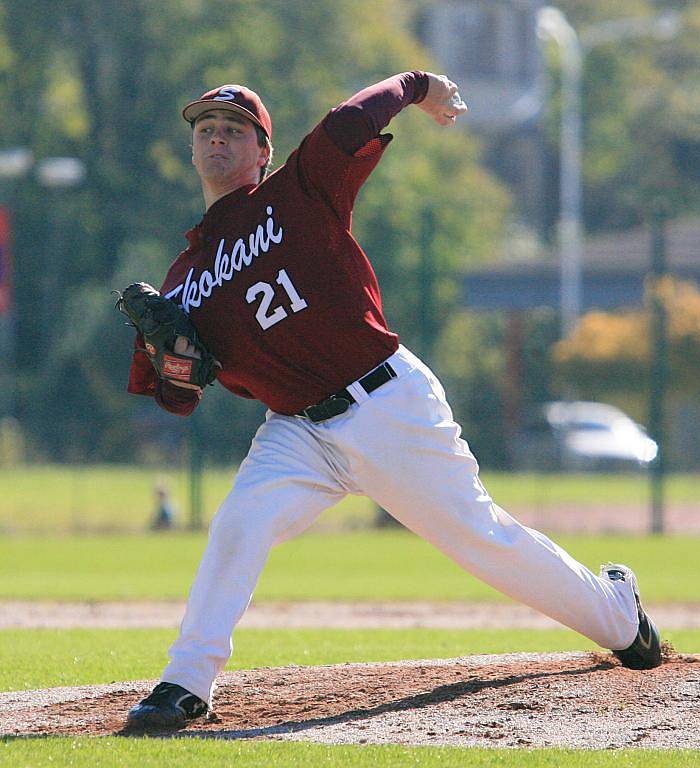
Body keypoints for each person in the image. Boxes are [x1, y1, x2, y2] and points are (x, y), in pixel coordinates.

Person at [124, 71, 661, 731]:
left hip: (385, 402)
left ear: (262, 150)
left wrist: (414, 85)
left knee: (479, 539)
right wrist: (169, 359)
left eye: (233, 130)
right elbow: (176, 398)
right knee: (239, 523)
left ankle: (617, 614)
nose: (216, 139)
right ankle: (186, 683)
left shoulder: (296, 191)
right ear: (192, 148)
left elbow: (345, 122)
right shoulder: (185, 280)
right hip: (296, 431)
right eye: (205, 129)